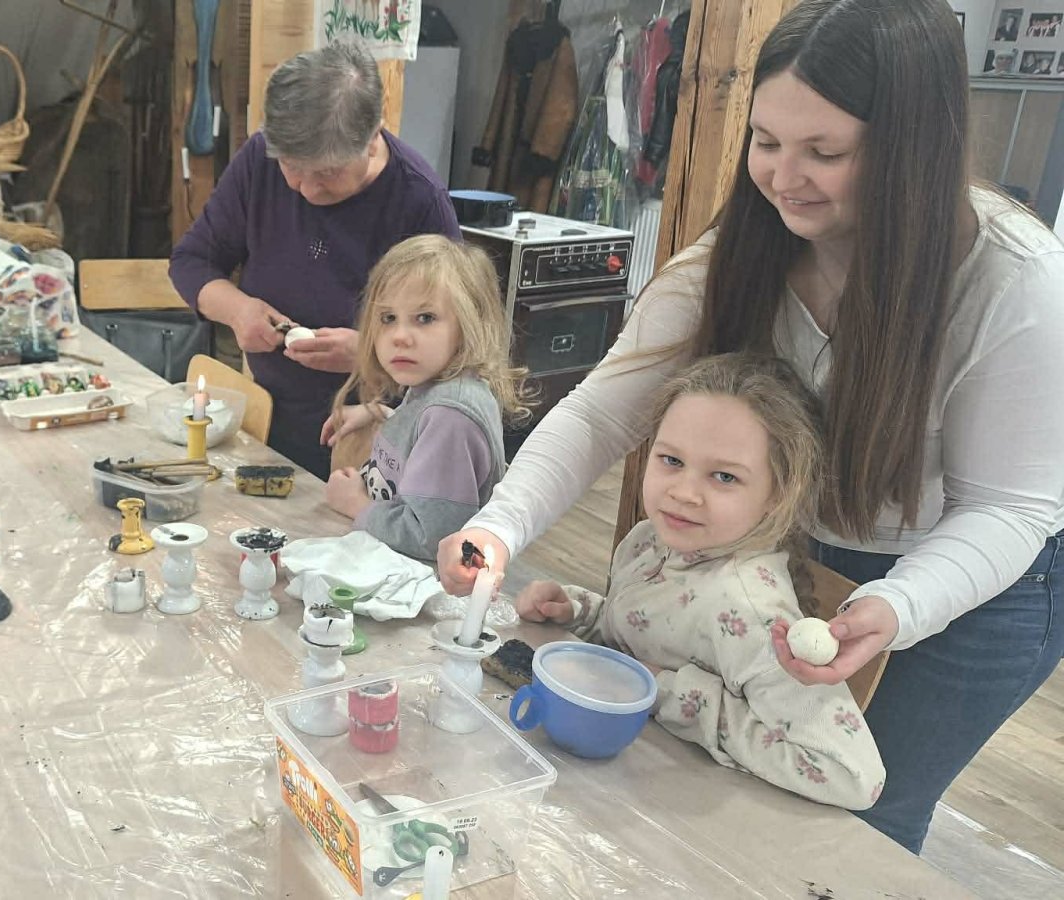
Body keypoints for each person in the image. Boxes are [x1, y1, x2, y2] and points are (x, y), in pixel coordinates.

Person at [441, 0, 1064, 853]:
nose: (783, 176)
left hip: (977, 580)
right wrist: (501, 526)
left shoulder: (1014, 283)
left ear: (911, 148)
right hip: (799, 545)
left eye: (824, 152)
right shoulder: (741, 251)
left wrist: (897, 604)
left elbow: (1010, 509)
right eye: (765, 142)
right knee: (736, 794)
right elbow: (600, 411)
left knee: (857, 831)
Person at [517, 353, 884, 808]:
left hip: (676, 812)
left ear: (779, 493)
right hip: (608, 776)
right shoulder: (650, 540)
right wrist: (578, 612)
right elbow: (642, 638)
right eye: (671, 460)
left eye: (724, 476)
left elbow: (852, 777)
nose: (684, 492)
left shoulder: (752, 615)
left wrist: (674, 696)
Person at [169, 41, 461, 480]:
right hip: (263, 418)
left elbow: (457, 344)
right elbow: (191, 260)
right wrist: (237, 310)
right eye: (291, 168)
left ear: (373, 136)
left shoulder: (419, 201)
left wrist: (371, 353)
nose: (305, 189)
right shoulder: (260, 159)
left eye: (326, 173)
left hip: (370, 438)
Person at [319, 235, 530, 560]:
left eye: (425, 318)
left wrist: (356, 504)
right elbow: (423, 445)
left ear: (469, 324)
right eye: (388, 318)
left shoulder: (450, 415)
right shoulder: (437, 387)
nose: (400, 336)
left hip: (418, 583)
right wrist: (383, 415)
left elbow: (433, 539)